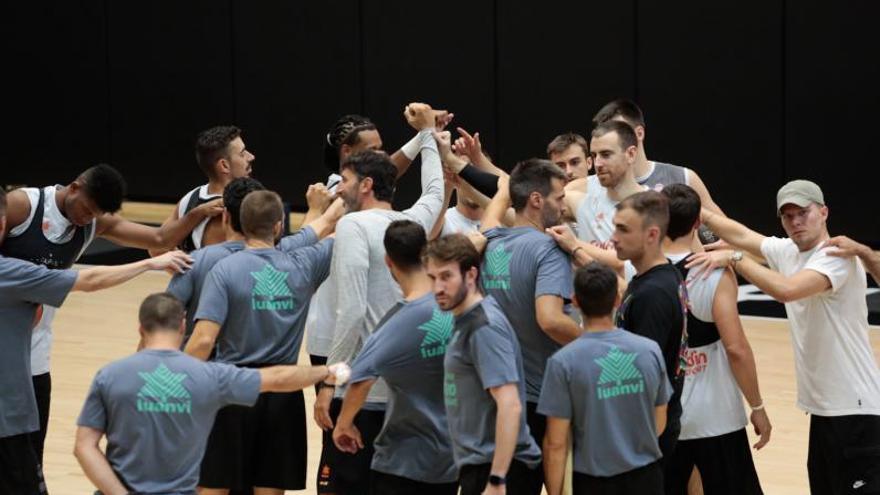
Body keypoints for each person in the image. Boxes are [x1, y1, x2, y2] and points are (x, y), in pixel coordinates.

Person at [0, 164, 221, 464]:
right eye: (86, 209)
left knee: (30, 454)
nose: (87, 218)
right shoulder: (24, 205)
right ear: (75, 187)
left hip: (36, 346)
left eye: (94, 214)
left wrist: (195, 215)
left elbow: (157, 240)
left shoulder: (95, 223)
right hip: (6, 339)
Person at [688, 179, 880, 493]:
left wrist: (736, 259)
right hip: (824, 411)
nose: (795, 221)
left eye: (803, 213)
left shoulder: (836, 256)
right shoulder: (789, 251)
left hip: (855, 412)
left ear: (824, 212)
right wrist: (701, 211)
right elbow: (741, 234)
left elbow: (787, 291)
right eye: (787, 216)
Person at [74, 293, 347, 495]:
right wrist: (326, 372)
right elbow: (277, 378)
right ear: (183, 326)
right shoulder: (209, 377)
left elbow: (84, 447)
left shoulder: (109, 376)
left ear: (140, 329)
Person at [315, 103, 445, 494]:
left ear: (366, 185)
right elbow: (436, 191)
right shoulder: (412, 223)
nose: (340, 188)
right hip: (405, 394)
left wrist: (328, 381)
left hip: (362, 390)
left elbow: (351, 311)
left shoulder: (354, 224)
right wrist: (429, 140)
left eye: (347, 180)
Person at [185, 190, 335, 494]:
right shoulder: (304, 264)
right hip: (283, 393)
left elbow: (202, 341)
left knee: (214, 487)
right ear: (279, 226)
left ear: (237, 221)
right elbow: (335, 228)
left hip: (231, 389)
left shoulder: (224, 270)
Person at [332, 221, 457, 495]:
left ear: (389, 262)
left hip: (403, 462)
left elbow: (360, 378)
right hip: (450, 460)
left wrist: (344, 424)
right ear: (426, 254)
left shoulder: (396, 323)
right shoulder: (459, 306)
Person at [660, 184, 769, 494]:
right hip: (716, 417)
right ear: (698, 224)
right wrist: (757, 406)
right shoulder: (714, 275)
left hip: (663, 416)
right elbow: (736, 349)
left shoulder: (635, 270)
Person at [477, 158, 579, 486]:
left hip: (487, 393)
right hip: (531, 401)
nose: (564, 207)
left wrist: (506, 190)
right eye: (559, 198)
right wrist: (596, 339)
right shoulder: (550, 250)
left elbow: (493, 213)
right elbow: (549, 320)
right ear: (537, 200)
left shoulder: (490, 239)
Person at [424, 234, 542, 495]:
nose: (438, 288)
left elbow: (510, 405)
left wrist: (497, 480)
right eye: (432, 278)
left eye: (446, 276)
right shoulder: (466, 319)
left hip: (498, 470)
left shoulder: (484, 327)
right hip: (480, 466)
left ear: (471, 275)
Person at [540, 262, 671, 495]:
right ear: (617, 300)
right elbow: (659, 422)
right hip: (647, 479)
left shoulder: (562, 362)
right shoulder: (649, 350)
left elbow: (556, 444)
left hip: (592, 482)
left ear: (575, 301)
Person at [167, 177, 341, 346]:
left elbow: (161, 322)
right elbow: (325, 223)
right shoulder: (285, 252)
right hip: (272, 373)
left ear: (225, 217)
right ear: (277, 226)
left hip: (206, 370)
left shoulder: (195, 261)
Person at [610, 191, 687, 482]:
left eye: (623, 229)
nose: (613, 237)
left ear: (652, 234)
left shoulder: (652, 295)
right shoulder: (664, 276)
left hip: (643, 434)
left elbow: (641, 378)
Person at [159, 125, 256, 253]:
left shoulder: (189, 198)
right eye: (242, 153)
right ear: (224, 165)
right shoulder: (231, 210)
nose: (251, 156)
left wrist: (185, 272)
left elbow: (156, 248)